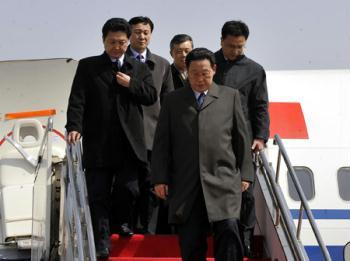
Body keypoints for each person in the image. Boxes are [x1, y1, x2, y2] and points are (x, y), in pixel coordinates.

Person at [65, 18, 157, 259]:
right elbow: (77, 99)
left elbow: (151, 96)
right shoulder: (88, 66)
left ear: (128, 43)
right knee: (98, 194)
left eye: (122, 42)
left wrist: (132, 84)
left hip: (129, 143)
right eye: (112, 42)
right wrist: (74, 126)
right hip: (99, 142)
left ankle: (124, 222)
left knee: (129, 189)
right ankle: (102, 242)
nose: (117, 47)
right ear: (103, 40)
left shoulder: (138, 67)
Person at [151, 47, 254, 261]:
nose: (200, 79)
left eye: (205, 73)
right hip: (187, 183)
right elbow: (162, 143)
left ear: (214, 70)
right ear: (187, 72)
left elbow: (241, 139)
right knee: (191, 241)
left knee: (229, 228)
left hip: (223, 180)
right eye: (194, 73)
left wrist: (245, 174)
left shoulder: (230, 96)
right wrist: (160, 178)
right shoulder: (173, 101)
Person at [213, 20, 270, 257]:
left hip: (243, 140)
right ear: (221, 42)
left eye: (240, 47)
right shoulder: (208, 63)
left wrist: (260, 136)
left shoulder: (255, 70)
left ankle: (245, 237)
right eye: (230, 46)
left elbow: (260, 106)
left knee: (245, 193)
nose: (235, 51)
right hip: (212, 139)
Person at [124, 16, 174, 234]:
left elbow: (170, 101)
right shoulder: (119, 61)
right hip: (125, 136)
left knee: (152, 185)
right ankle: (127, 225)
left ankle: (149, 231)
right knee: (128, 186)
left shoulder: (162, 65)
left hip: (154, 136)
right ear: (129, 35)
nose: (141, 36)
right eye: (136, 32)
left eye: (145, 32)